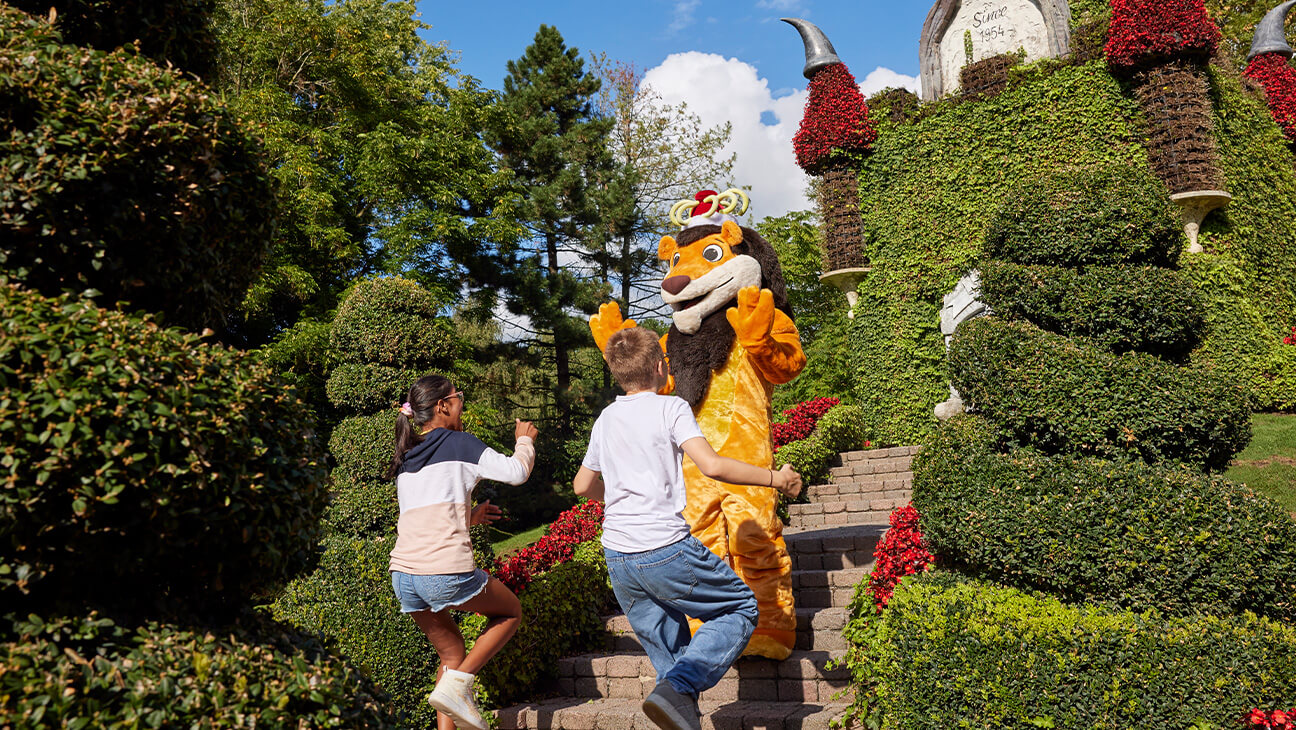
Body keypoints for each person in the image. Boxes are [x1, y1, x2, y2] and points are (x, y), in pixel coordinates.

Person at [574, 328, 803, 730]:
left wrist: (616, 500)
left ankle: (679, 701)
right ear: (662, 366)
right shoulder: (671, 408)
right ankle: (679, 689)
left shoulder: (606, 418)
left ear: (616, 372)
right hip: (663, 548)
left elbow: (582, 486)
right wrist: (775, 478)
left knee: (671, 658)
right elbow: (712, 465)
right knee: (740, 607)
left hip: (618, 558)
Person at [386, 375, 538, 730]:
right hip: (443, 574)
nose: (462, 404)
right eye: (459, 398)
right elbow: (516, 473)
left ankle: (453, 695)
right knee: (510, 612)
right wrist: (524, 441)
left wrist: (470, 518)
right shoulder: (460, 443)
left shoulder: (407, 457)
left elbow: (425, 520)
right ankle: (460, 687)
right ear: (443, 406)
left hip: (404, 578)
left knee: (452, 655)